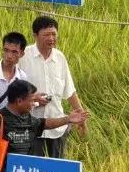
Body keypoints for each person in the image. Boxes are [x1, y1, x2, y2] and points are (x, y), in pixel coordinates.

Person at [0, 80, 89, 172]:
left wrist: (68, 119)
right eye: (31, 100)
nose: (33, 104)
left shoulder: (27, 118)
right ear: (19, 101)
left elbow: (46, 123)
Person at [22, 17, 86, 158]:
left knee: (56, 170)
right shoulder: (23, 57)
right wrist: (33, 98)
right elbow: (12, 92)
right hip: (31, 128)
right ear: (35, 36)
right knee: (34, 171)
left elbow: (69, 91)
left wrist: (81, 118)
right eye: (46, 35)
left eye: (54, 34)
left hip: (57, 128)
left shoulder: (60, 58)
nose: (51, 38)